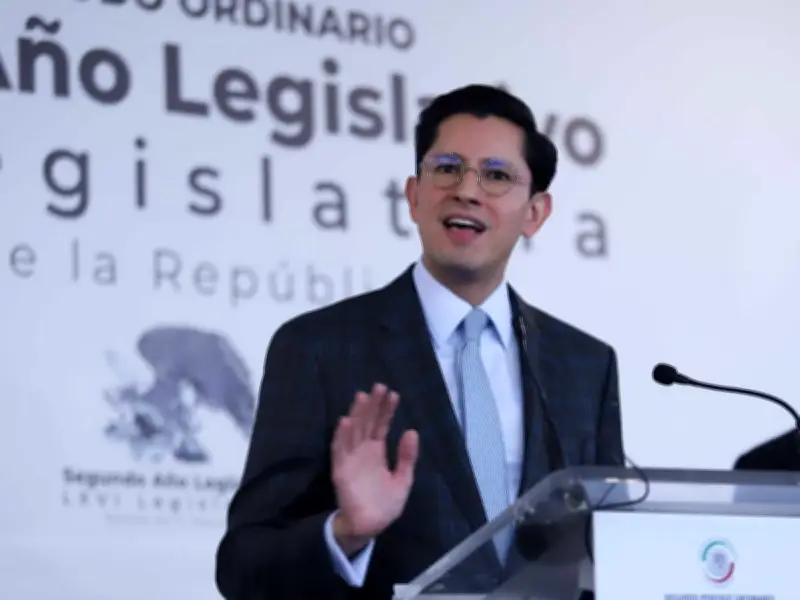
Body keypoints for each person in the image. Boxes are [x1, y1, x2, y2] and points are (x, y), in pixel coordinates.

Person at [214, 84, 625, 600]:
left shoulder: (585, 365)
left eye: (497, 176)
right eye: (447, 168)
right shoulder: (319, 348)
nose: (467, 191)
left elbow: (614, 548)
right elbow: (243, 566)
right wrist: (346, 533)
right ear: (413, 196)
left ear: (535, 213)